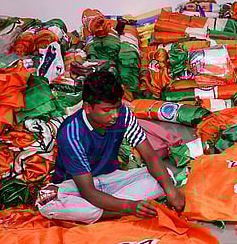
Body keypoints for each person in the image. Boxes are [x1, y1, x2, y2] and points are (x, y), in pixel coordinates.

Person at [37, 70, 185, 223]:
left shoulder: (123, 114)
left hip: (111, 181)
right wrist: (130, 206)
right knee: (47, 200)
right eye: (106, 110)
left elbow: (150, 156)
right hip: (76, 188)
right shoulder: (71, 133)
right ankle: (117, 210)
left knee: (165, 176)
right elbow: (88, 192)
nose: (114, 115)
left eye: (117, 107)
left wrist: (171, 191)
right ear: (87, 108)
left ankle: (109, 209)